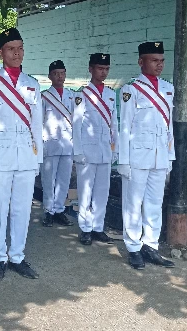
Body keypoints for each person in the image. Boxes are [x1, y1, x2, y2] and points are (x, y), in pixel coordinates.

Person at [0, 28, 43, 282]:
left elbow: (37, 126)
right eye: (11, 49)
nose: (17, 53)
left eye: (20, 48)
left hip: (26, 156)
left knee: (22, 210)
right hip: (0, 157)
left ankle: (17, 256)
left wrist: (38, 158)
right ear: (1, 52)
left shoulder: (32, 85)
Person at [118, 41, 175, 270]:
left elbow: (169, 125)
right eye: (154, 60)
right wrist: (123, 160)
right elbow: (125, 127)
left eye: (161, 61)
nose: (159, 65)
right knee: (133, 203)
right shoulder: (131, 90)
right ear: (141, 61)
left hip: (159, 155)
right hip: (137, 156)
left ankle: (150, 246)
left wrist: (170, 155)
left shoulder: (168, 88)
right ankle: (133, 247)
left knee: (154, 203)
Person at [72, 53, 118, 245]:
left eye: (106, 69)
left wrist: (116, 149)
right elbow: (76, 125)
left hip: (105, 151)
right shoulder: (81, 95)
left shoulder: (111, 94)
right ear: (91, 69)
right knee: (85, 191)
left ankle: (98, 227)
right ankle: (85, 228)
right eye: (100, 68)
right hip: (87, 152)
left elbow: (114, 124)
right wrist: (78, 151)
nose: (103, 72)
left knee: (102, 191)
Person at [40, 60, 75, 228]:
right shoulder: (45, 96)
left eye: (62, 73)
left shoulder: (72, 96)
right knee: (48, 179)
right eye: (56, 73)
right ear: (50, 76)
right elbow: (39, 121)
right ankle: (48, 211)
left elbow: (77, 119)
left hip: (67, 142)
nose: (60, 77)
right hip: (50, 142)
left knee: (64, 179)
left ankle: (59, 209)